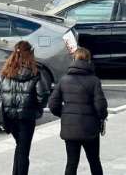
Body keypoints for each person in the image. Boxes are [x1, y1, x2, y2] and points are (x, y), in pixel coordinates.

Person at [0, 41, 50, 175]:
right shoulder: (35, 72)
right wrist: (37, 109)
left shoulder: (6, 72)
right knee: (24, 151)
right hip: (27, 117)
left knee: (20, 147)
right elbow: (43, 94)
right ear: (30, 53)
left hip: (9, 117)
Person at [49, 47, 108, 175]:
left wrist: (65, 114)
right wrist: (102, 117)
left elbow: (53, 104)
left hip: (70, 128)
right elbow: (101, 106)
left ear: (74, 60)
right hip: (90, 128)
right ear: (88, 61)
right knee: (94, 161)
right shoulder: (94, 81)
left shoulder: (64, 80)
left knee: (71, 162)